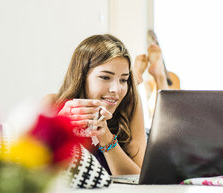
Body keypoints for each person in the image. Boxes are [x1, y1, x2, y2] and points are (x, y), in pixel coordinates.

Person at [41, 34, 147, 176]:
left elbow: (138, 178)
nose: (116, 89)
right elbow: (34, 175)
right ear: (81, 76)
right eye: (105, 77)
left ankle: (138, 73)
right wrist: (59, 128)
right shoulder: (52, 104)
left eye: (123, 80)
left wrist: (106, 137)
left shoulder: (130, 103)